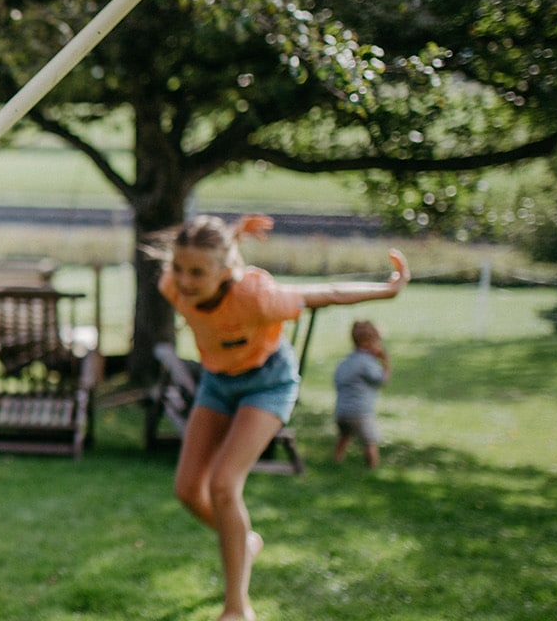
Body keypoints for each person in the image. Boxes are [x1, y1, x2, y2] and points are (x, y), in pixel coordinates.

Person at [157, 214, 408, 621]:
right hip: (218, 381)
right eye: (179, 268)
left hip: (267, 383)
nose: (184, 281)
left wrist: (387, 290)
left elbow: (324, 292)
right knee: (187, 490)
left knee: (223, 485)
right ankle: (245, 540)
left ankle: (237, 609)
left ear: (225, 270)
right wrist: (231, 235)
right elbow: (197, 267)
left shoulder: (256, 296)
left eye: (197, 272)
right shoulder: (173, 286)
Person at [332, 319, 391, 469]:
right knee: (370, 441)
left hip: (341, 411)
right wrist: (385, 361)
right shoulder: (367, 363)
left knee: (344, 437)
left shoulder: (345, 361)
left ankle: (336, 461)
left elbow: (337, 380)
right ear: (367, 343)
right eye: (377, 342)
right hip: (360, 413)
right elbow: (381, 380)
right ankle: (372, 468)